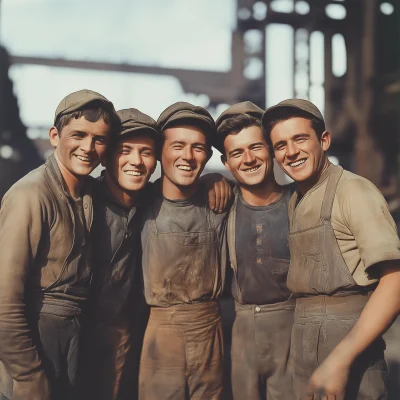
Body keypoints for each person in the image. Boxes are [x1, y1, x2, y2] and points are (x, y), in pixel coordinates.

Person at [262, 98, 400, 400]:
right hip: (303, 352)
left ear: (324, 140)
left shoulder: (354, 191)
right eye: (281, 145)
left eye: (300, 139)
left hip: (351, 358)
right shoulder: (297, 199)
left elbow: (395, 282)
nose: (291, 152)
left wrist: (340, 360)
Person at [0, 90, 119, 400]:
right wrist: (27, 374)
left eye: (100, 139)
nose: (88, 148)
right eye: (78, 135)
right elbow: (3, 300)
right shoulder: (30, 195)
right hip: (33, 349)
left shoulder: (92, 194)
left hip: (74, 344)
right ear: (54, 136)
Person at [139, 102, 229, 400]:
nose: (188, 157)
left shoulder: (221, 203)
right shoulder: (139, 204)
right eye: (178, 145)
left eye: (198, 148)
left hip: (210, 330)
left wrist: (218, 180)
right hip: (160, 333)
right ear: (160, 151)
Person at [214, 101, 295, 400]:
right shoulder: (220, 207)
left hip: (293, 328)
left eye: (256, 148)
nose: (248, 159)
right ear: (226, 162)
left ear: (272, 149)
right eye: (237, 153)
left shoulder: (300, 202)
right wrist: (211, 182)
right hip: (242, 329)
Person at [78, 108, 159, 400]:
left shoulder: (156, 201)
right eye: (125, 150)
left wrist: (214, 182)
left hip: (135, 346)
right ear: (107, 155)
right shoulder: (82, 201)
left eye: (146, 152)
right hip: (80, 343)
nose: (136, 161)